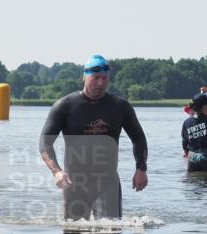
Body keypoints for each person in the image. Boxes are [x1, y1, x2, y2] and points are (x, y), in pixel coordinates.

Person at [39, 54, 148, 220]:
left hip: (107, 182)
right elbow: (45, 143)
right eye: (96, 78)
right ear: (85, 76)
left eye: (105, 78)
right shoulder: (65, 106)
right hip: (75, 182)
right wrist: (57, 172)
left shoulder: (120, 106)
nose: (101, 83)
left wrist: (141, 169)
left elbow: (138, 138)